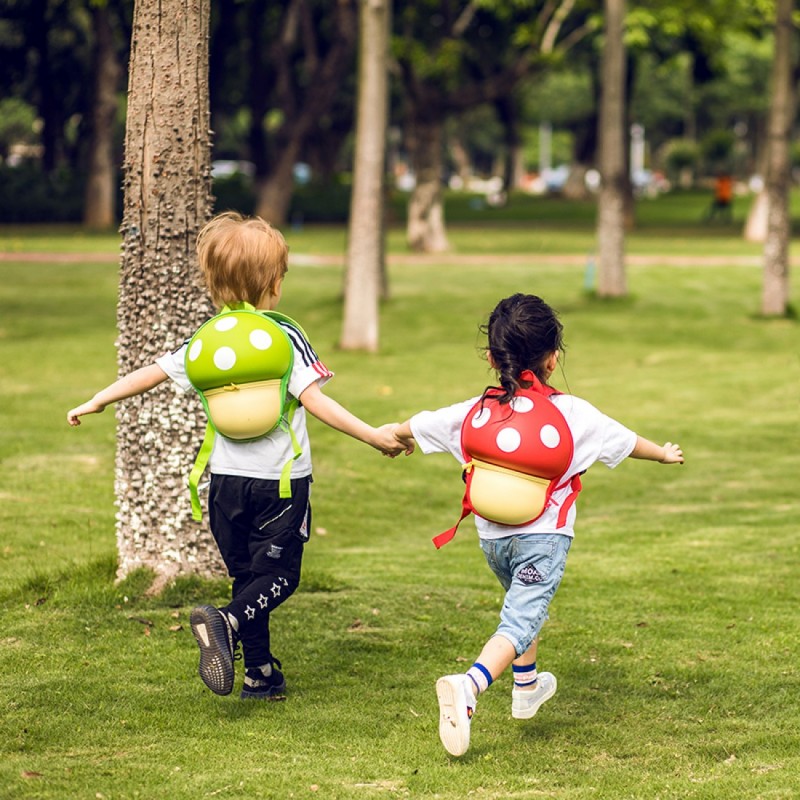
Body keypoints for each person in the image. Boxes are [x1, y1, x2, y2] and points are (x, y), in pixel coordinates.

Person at [67, 212, 405, 700]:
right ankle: (223, 623)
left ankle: (260, 674)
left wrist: (98, 400)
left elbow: (150, 373)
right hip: (281, 486)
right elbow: (318, 403)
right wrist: (374, 436)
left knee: (248, 579)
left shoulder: (207, 339)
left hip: (224, 485)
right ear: (273, 283)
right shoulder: (283, 338)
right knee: (280, 576)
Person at [391, 293, 684, 756]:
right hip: (543, 540)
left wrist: (392, 435)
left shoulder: (476, 410)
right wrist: (664, 453)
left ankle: (526, 688)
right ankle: (469, 687)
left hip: (492, 540)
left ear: (492, 357)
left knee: (524, 607)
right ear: (553, 358)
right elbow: (626, 442)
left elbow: (422, 423)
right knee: (522, 616)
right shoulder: (573, 414)